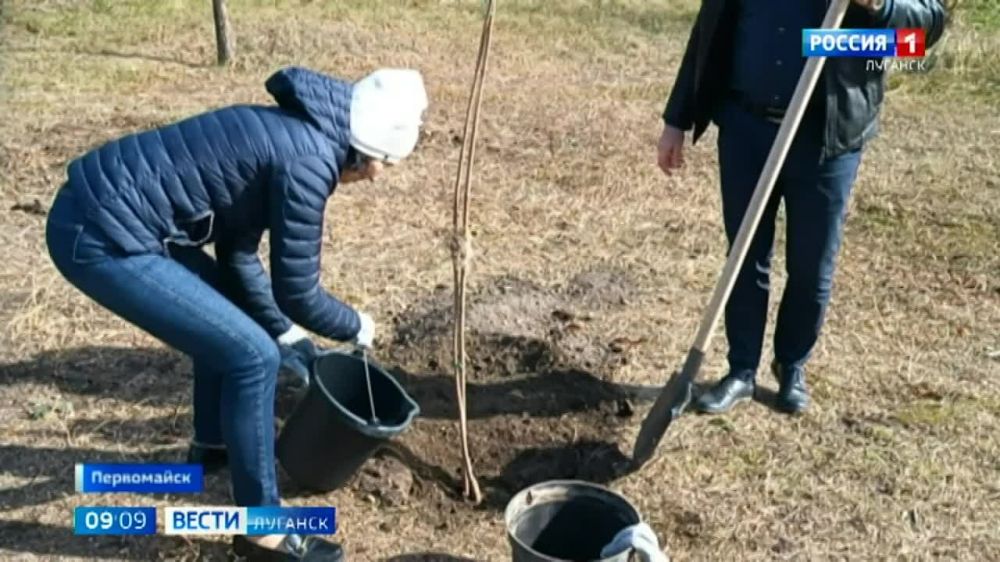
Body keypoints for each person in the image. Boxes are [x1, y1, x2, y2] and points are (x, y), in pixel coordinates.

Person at [46, 66, 428, 561]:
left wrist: (288, 333)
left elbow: (238, 255)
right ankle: (261, 533)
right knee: (253, 358)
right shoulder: (309, 161)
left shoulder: (293, 134)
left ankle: (214, 445)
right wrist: (357, 326)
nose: (377, 177)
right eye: (385, 163)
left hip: (104, 213)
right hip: (102, 234)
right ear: (369, 150)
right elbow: (300, 291)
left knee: (228, 324)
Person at [656, 0, 946, 415]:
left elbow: (923, 34)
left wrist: (880, 7)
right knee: (744, 254)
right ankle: (741, 370)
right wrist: (676, 119)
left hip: (825, 138)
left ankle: (791, 366)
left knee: (811, 266)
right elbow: (708, 31)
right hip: (745, 128)